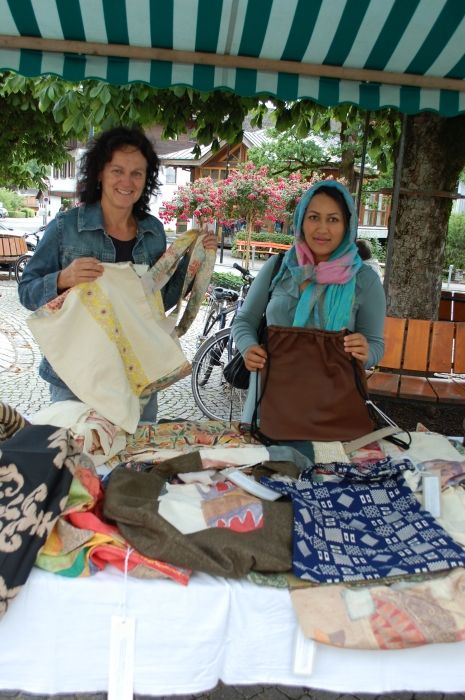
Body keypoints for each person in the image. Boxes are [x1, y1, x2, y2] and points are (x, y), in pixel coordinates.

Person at [18, 125, 217, 422]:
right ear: (100, 173)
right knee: (81, 449)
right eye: (117, 171)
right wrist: (62, 279)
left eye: (137, 173)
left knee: (137, 449)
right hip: (77, 376)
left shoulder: (153, 232)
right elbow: (27, 292)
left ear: (146, 179)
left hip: (137, 372)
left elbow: (156, 301)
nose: (127, 181)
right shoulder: (66, 227)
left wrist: (192, 261)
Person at [232, 179, 386, 432]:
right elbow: (245, 320)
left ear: (347, 225)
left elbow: (376, 345)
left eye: (333, 219)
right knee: (266, 454)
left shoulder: (364, 280)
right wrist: (248, 348)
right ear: (301, 221)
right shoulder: (279, 268)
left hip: (332, 407)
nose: (322, 228)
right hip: (271, 400)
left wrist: (365, 351)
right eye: (314, 217)